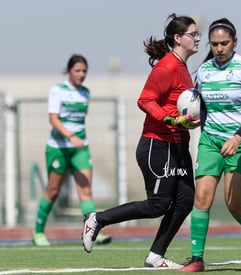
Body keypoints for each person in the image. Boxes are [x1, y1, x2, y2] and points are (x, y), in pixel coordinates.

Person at [81, 13, 200, 269]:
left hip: (178, 146)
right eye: (193, 34)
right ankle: (97, 219)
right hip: (158, 144)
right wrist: (172, 121)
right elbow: (145, 100)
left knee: (186, 200)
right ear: (178, 38)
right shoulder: (167, 66)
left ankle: (155, 256)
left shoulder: (183, 68)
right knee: (157, 205)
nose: (198, 38)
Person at [179, 18, 241, 272]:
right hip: (210, 141)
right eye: (214, 44)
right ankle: (197, 259)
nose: (219, 48)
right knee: (201, 198)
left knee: (234, 205)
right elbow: (204, 111)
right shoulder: (204, 70)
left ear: (234, 42)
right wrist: (193, 121)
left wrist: (237, 138)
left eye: (224, 43)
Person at [32, 54, 112, 246]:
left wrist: (78, 139)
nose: (82, 74)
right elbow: (53, 119)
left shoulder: (85, 92)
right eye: (78, 70)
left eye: (84, 71)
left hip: (80, 149)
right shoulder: (58, 90)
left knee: (85, 190)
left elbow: (79, 121)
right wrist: (70, 136)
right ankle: (38, 232)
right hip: (58, 148)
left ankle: (93, 230)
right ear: (69, 71)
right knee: (52, 191)